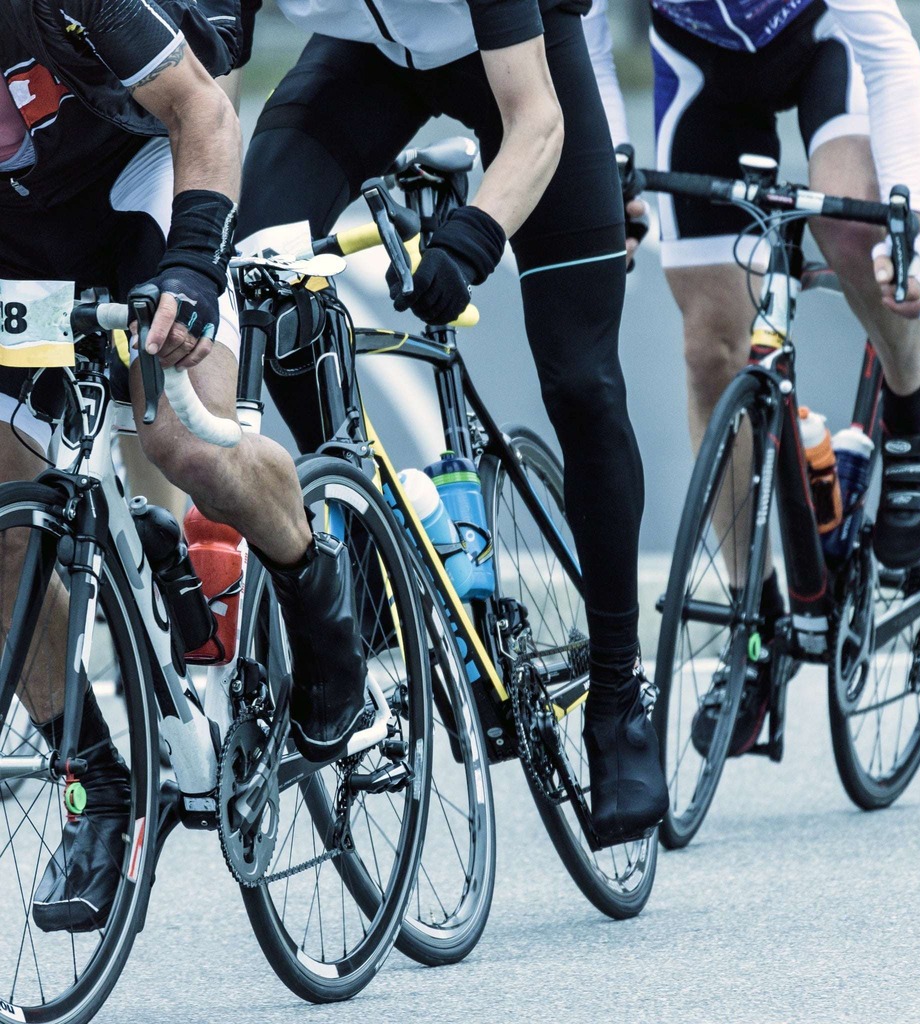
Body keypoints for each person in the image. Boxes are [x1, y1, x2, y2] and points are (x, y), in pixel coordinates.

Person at [236, 0, 670, 846]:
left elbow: (537, 121)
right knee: (262, 267)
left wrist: (473, 238)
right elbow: (205, 91)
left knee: (582, 381)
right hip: (364, 60)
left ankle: (618, 693)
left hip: (521, 62)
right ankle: (366, 544)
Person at [0, 0, 365, 933]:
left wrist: (197, 268)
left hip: (141, 178)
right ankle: (95, 785)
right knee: (3, 527)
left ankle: (315, 590)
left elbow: (203, 113)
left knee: (185, 437)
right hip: (19, 242)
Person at [591, 0, 920, 756]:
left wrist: (912, 225)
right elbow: (580, 36)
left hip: (825, 40)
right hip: (699, 64)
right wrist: (613, 162)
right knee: (709, 351)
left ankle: (916, 414)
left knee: (852, 229)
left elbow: (888, 55)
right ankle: (751, 623)